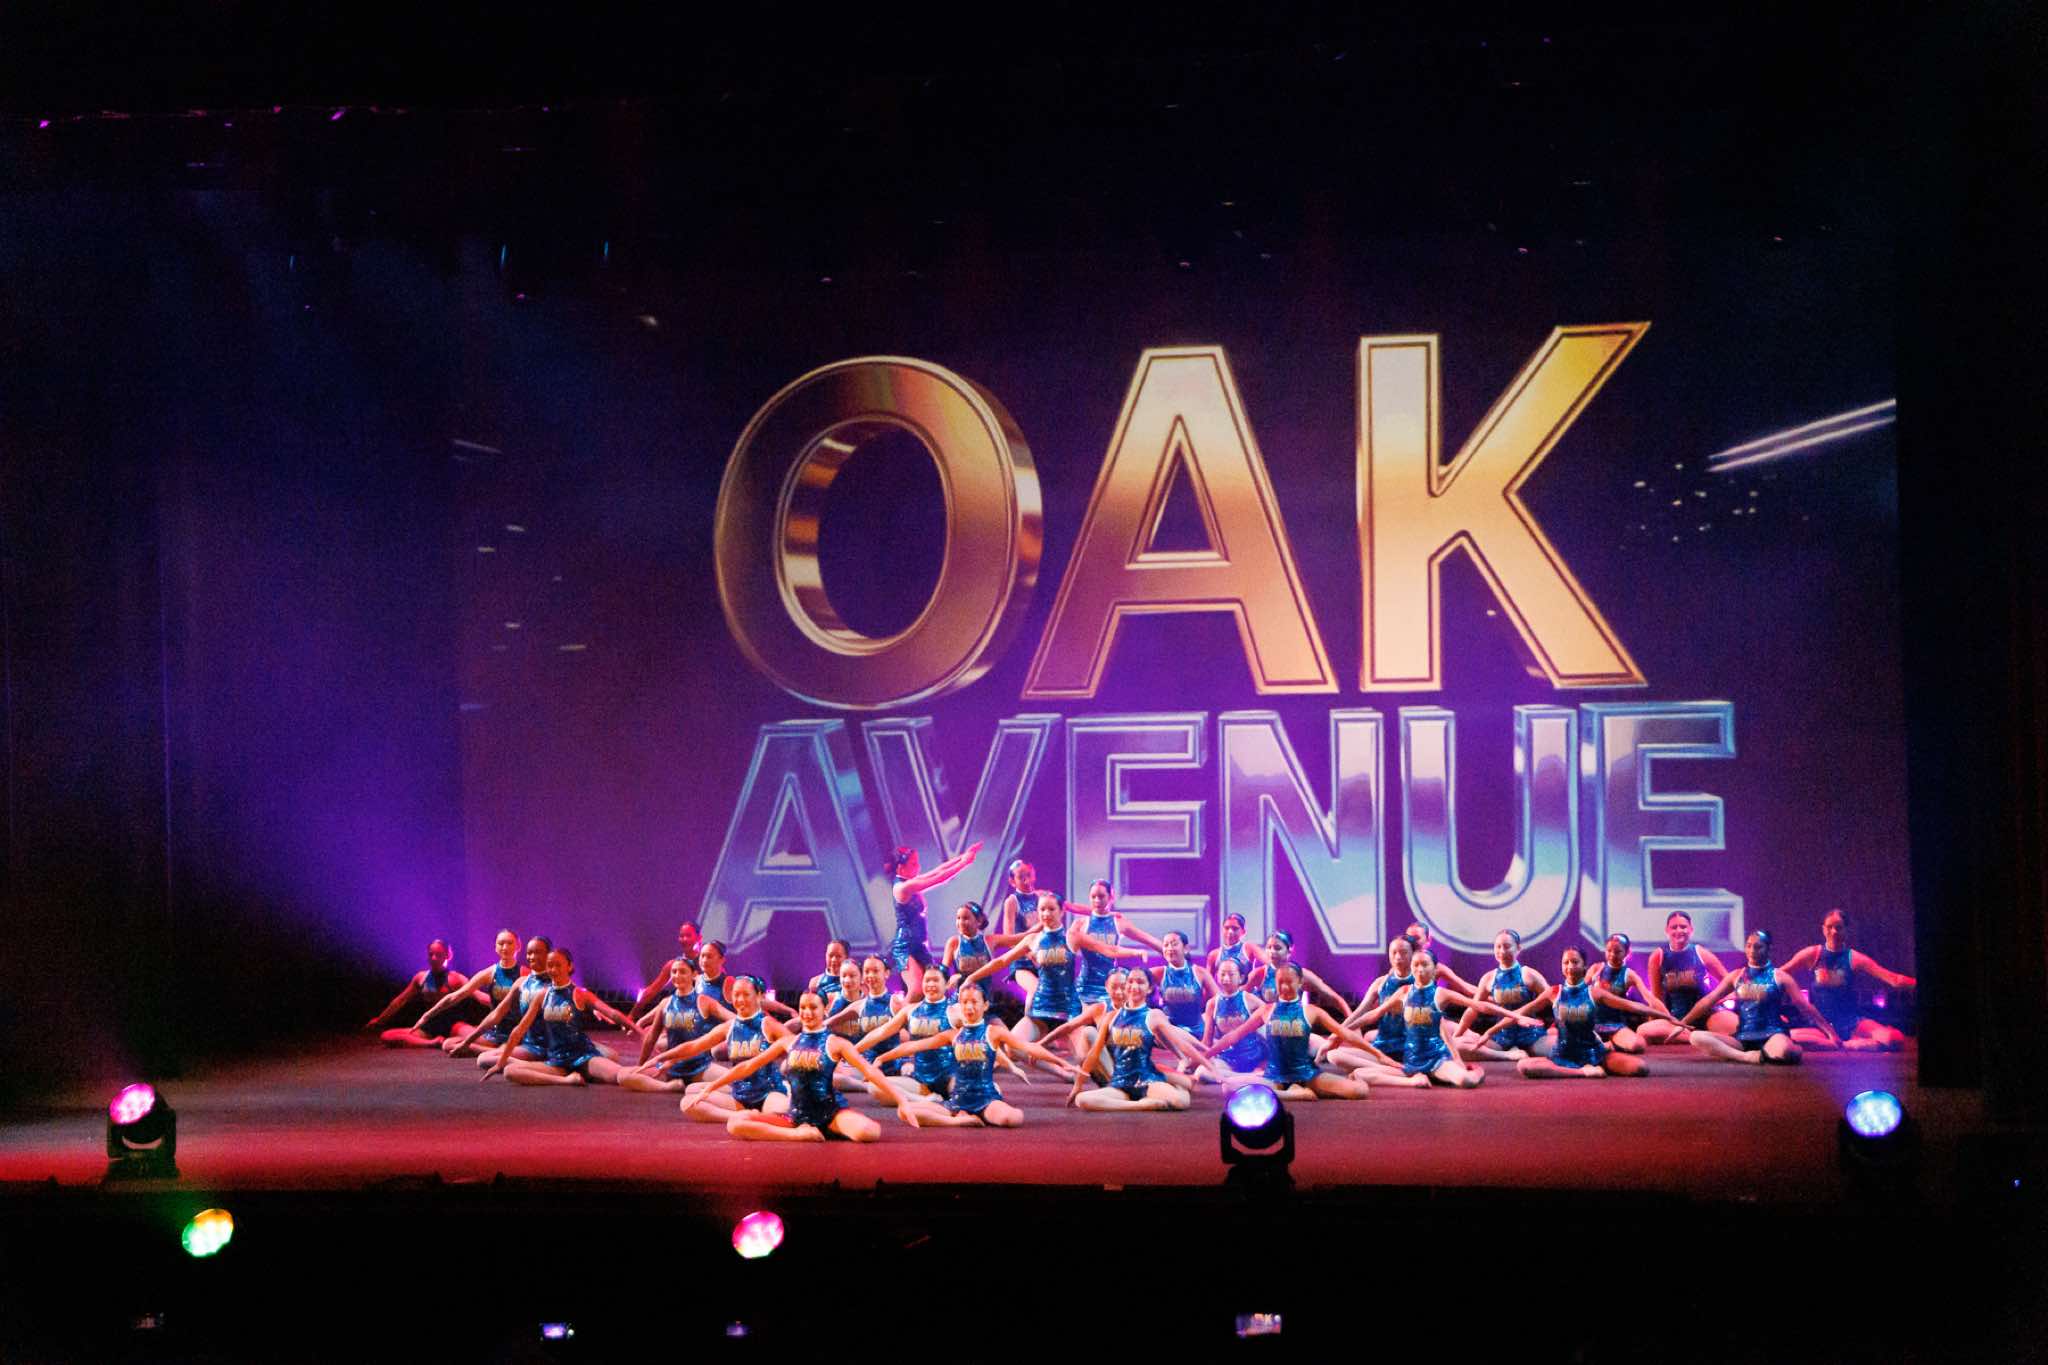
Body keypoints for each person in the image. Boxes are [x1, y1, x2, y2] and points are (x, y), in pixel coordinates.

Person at [679, 990, 918, 1142]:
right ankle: (797, 1135)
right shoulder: (788, 1042)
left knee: (869, 1132)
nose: (807, 1012)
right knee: (735, 1124)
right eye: (803, 1007)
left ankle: (822, 1130)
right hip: (795, 1116)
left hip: (830, 1114)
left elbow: (870, 1071)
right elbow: (747, 1066)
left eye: (813, 1007)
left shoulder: (835, 1043)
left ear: (824, 1010)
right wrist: (709, 1088)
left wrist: (902, 1101)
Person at [966, 891, 1148, 1065]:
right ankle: (1063, 1071)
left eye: (1051, 909)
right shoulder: (1032, 939)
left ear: (1061, 912)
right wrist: (972, 978)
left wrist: (1136, 952)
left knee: (1084, 1058)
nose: (1046, 913)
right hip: (1042, 1006)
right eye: (1042, 909)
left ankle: (1111, 1058)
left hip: (1068, 1008)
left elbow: (1109, 949)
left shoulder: (1072, 937)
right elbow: (1001, 961)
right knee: (1012, 1048)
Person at [876, 981, 1076, 1127]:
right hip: (958, 1100)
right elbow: (912, 1047)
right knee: (904, 1111)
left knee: (1013, 1118)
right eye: (965, 1002)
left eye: (974, 1002)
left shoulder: (993, 1032)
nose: (969, 1007)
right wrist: (882, 1058)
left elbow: (1029, 1047)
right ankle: (956, 1121)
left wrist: (1061, 1062)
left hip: (985, 1099)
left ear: (985, 1005)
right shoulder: (952, 1035)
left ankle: (973, 1115)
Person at [1343, 949, 1540, 1089]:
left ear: (1434, 969)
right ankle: (1412, 1081)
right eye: (1416, 965)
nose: (1420, 970)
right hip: (1411, 1060)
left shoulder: (1440, 994)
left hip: (1436, 1059)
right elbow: (1373, 1014)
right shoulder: (1404, 992)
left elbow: (1480, 1006)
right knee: (1360, 1074)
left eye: (1425, 965)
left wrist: (1515, 1016)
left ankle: (1475, 1070)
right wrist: (1341, 1030)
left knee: (1466, 1081)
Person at [1202, 963, 1388, 1100]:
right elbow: (1233, 1036)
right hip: (1275, 1076)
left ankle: (1293, 1092)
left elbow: (1346, 1034)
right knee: (1228, 1088)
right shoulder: (1266, 1010)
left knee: (1360, 1091)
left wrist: (1379, 1055)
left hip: (1307, 1075)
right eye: (1280, 982)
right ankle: (1295, 1095)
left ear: (1300, 983)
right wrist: (1203, 1057)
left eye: (1289, 982)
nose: (1284, 987)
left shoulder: (1312, 1011)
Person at [637, 974, 793, 1121]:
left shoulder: (768, 1024)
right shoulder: (729, 1027)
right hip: (740, 1094)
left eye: (746, 995)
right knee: (688, 1102)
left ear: (758, 996)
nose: (740, 1000)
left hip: (768, 1092)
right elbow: (694, 1046)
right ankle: (741, 1117)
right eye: (736, 995)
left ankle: (754, 1118)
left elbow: (796, 1046)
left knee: (780, 1112)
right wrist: (660, 1058)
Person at [1506, 944, 1675, 1078]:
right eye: (1566, 962)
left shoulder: (1594, 993)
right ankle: (1582, 1072)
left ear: (1584, 966)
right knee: (1524, 1066)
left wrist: (1669, 1018)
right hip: (1564, 1054)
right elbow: (1517, 1013)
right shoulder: (1554, 992)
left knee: (1640, 1068)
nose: (1570, 966)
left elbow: (1631, 1006)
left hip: (1594, 1051)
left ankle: (1600, 1057)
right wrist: (1491, 1032)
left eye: (1575, 962)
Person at [482, 947, 641, 1085]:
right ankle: (566, 1080)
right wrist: (501, 1062)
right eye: (550, 965)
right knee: (510, 1071)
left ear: (569, 966)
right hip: (557, 1061)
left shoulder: (580, 994)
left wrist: (636, 1029)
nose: (553, 970)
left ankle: (651, 1073)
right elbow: (519, 1030)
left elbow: (612, 1013)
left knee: (621, 1075)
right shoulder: (542, 995)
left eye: (558, 965)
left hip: (582, 1056)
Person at [1680, 930, 1841, 1064]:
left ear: (1769, 949)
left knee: (1782, 1052)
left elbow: (1805, 1007)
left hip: (1772, 1035)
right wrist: (1682, 1023)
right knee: (1696, 1037)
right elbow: (1708, 1000)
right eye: (1749, 946)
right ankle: (1745, 1057)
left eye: (1758, 947)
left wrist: (1830, 1032)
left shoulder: (1780, 977)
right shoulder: (1736, 975)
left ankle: (1789, 1048)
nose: (1752, 951)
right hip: (1743, 1038)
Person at [1066, 971, 1215, 1110]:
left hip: (1145, 1080)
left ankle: (1177, 1084)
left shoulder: (1152, 1015)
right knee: (1082, 1099)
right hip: (1119, 1082)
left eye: (1139, 982)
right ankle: (1140, 1105)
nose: (1132, 987)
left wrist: (1203, 1054)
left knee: (1181, 1101)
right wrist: (1078, 1085)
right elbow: (1092, 1053)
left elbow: (1177, 1035)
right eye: (1130, 982)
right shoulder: (1109, 1016)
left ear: (1149, 989)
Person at [1781, 909, 1916, 1051]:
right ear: (1823, 929)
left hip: (1850, 1023)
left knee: (1894, 1039)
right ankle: (1844, 1044)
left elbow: (1894, 980)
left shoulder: (1854, 958)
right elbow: (1777, 975)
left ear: (1846, 930)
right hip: (1820, 1025)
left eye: (1839, 927)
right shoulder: (1812, 954)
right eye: (1829, 927)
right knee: (1787, 1037)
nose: (1834, 932)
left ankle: (1840, 1044)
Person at [885, 841, 984, 995]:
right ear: (900, 868)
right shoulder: (902, 887)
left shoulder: (910, 882)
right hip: (906, 946)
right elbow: (940, 878)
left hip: (919, 945)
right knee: (917, 990)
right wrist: (964, 863)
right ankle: (897, 1009)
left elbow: (938, 871)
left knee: (936, 988)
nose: (918, 867)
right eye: (913, 864)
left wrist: (963, 857)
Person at [621, 956, 731, 1093]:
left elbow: (733, 1019)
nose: (677, 976)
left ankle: (691, 1087)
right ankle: (669, 1087)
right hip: (670, 1068)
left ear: (694, 975)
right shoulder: (665, 1003)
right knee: (623, 1076)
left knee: (735, 1083)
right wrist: (641, 1065)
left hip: (699, 1066)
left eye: (682, 972)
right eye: (674, 972)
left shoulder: (704, 1001)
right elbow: (651, 1038)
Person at [411, 929, 526, 1056]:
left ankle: (499, 1051)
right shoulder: (489, 973)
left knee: (488, 1057)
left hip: (518, 1031)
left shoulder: (525, 973)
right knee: (448, 1044)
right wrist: (427, 1015)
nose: (505, 947)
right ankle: (496, 1051)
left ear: (518, 946)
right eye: (501, 943)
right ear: (495, 947)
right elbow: (455, 996)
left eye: (509, 943)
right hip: (496, 1032)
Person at [1065, 880, 1168, 1013]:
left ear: (1111, 897)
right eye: (1093, 897)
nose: (1097, 900)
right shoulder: (1080, 924)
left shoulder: (1118, 922)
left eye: (1101, 896)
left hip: (1112, 988)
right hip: (1084, 988)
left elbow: (1148, 939)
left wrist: (1174, 954)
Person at [1638, 910, 1739, 1043]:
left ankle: (1698, 1036)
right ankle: (1699, 1037)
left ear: (1691, 929)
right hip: (1676, 1019)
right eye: (1674, 927)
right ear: (1667, 930)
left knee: (1736, 1028)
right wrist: (1657, 1020)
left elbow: (1730, 983)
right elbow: (1656, 998)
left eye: (1683, 927)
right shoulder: (1658, 956)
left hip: (1708, 1015)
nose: (1679, 930)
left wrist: (1718, 1000)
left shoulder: (1701, 953)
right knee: (1644, 1031)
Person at [1326, 936, 1419, 1073]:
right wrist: (1337, 1034)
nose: (1398, 957)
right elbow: (1359, 1012)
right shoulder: (1381, 982)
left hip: (1409, 1050)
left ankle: (1395, 1070)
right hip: (1383, 1049)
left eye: (1403, 952)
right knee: (1333, 1055)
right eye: (1394, 952)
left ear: (1413, 954)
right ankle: (1390, 1069)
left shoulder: (1420, 983)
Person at [1455, 930, 1551, 1061]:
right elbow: (1473, 1009)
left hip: (1531, 1035)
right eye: (1498, 947)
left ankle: (1517, 1052)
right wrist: (1456, 1035)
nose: (1502, 951)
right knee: (1457, 1047)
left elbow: (1553, 999)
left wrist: (1558, 1026)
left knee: (1564, 1050)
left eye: (1507, 946)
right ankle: (1508, 1055)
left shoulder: (1528, 974)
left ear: (1518, 948)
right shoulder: (1489, 978)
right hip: (1501, 1037)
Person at [463, 936, 555, 1070]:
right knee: (483, 1058)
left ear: (549, 954)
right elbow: (497, 1014)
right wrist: (467, 1041)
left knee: (486, 1059)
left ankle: (541, 1065)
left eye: (538, 952)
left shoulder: (554, 983)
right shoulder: (522, 982)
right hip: (528, 1043)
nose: (532, 957)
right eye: (529, 953)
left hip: (546, 1046)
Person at [365, 940, 477, 1047]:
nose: (433, 958)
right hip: (429, 1027)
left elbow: (479, 996)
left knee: (479, 1037)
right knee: (386, 1036)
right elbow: (400, 1000)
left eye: (438, 954)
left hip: (453, 1025)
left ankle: (456, 1038)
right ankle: (432, 1043)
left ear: (448, 955)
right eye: (431, 954)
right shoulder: (421, 978)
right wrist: (380, 1020)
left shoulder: (457, 978)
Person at [940, 902, 1032, 1021]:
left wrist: (1044, 926)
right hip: (961, 1002)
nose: (961, 922)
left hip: (985, 1004)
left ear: (979, 921)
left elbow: (1021, 937)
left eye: (966, 918)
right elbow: (943, 972)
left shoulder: (990, 940)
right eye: (958, 918)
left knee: (1000, 1031)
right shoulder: (954, 942)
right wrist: (950, 979)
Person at [1148, 932, 1216, 1065]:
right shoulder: (1159, 972)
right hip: (1169, 1034)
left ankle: (1202, 1052)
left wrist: (1207, 1018)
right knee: (1155, 1019)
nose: (1169, 948)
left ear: (1186, 948)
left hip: (1197, 1032)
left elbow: (1218, 1001)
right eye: (1166, 945)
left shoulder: (1200, 972)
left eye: (1174, 944)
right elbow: (1137, 978)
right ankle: (1185, 1058)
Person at [1248, 929, 1350, 1017]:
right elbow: (1240, 1000)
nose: (1272, 952)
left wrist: (1351, 1023)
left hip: (1292, 1027)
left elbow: (1335, 999)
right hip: (1265, 1028)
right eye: (1269, 947)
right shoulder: (1259, 974)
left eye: (1277, 948)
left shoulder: (1302, 975)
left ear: (1289, 950)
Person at [1200, 957, 1271, 1080]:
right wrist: (1197, 1057)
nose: (1226, 979)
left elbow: (1269, 1018)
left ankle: (1236, 1078)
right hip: (1227, 1058)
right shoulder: (1212, 1004)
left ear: (1241, 978)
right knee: (1202, 1073)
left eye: (1231, 974)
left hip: (1253, 1057)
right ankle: (1247, 1077)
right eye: (1222, 974)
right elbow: (1207, 1040)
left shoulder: (1250, 999)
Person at [1588, 934, 1656, 1055]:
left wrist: (1669, 1018)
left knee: (1638, 1044)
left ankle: (1607, 1046)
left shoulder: (1629, 975)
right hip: (1592, 1025)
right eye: (1609, 951)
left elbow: (1649, 998)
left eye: (1617, 952)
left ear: (1627, 952)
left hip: (1616, 1026)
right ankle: (1599, 1045)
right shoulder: (1596, 969)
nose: (1612, 955)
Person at [629, 921, 704, 1018]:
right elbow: (652, 990)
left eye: (688, 936)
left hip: (704, 1013)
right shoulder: (673, 965)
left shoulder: (706, 963)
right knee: (666, 1003)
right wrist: (633, 1014)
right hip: (683, 1013)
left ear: (699, 938)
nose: (684, 939)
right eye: (681, 936)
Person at [1207, 911, 1268, 986]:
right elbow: (1207, 985)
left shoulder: (1249, 948)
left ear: (1243, 931)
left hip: (1246, 992)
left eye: (1234, 928)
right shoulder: (1214, 955)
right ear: (1222, 930)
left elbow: (1270, 962)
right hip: (1224, 993)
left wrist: (1255, 976)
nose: (1230, 932)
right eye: (1226, 928)